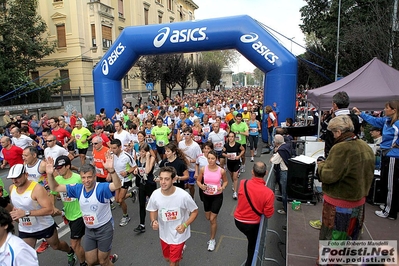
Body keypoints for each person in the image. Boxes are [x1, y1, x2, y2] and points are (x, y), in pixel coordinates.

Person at [47, 154, 120, 266]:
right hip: (90, 230)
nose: (86, 181)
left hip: (104, 229)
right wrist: (50, 174)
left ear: (95, 177)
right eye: (84, 178)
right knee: (90, 261)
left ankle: (106, 259)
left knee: (103, 261)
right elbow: (55, 188)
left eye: (89, 177)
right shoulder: (78, 188)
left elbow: (116, 185)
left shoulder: (101, 188)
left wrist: (112, 171)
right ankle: (107, 258)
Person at [317, 116, 374, 241]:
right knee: (350, 232)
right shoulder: (365, 146)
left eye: (333, 133)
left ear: (338, 132)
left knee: (335, 234)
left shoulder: (341, 148)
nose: (333, 136)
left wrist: (321, 166)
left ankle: (330, 259)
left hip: (339, 201)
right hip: (358, 199)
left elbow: (328, 176)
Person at [7, 164, 77, 266]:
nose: (14, 180)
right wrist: (14, 215)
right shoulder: (11, 188)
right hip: (26, 229)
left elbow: (49, 210)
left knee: (56, 246)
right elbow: (17, 206)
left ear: (26, 175)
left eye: (17, 177)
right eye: (12, 178)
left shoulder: (37, 189)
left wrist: (26, 213)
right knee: (24, 255)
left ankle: (70, 251)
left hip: (44, 226)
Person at [353, 101, 399, 219]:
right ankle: (388, 207)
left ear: (394, 110)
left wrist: (397, 144)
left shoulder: (397, 124)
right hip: (387, 154)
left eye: (387, 108)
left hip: (393, 156)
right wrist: (361, 114)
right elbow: (374, 121)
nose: (385, 109)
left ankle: (390, 212)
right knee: (387, 182)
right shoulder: (387, 121)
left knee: (391, 185)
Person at [146, 166, 199, 266]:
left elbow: (195, 211)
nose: (162, 182)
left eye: (166, 179)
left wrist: (185, 225)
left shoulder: (183, 196)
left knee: (172, 262)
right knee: (167, 258)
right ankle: (178, 255)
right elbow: (153, 210)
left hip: (179, 235)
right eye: (161, 179)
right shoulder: (155, 194)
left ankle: (179, 251)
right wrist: (153, 221)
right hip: (164, 234)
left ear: (174, 180)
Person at [46, 156, 87, 266]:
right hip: (69, 215)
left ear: (68, 166)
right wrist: (53, 206)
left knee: (74, 243)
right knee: (84, 240)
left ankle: (84, 263)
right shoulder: (58, 180)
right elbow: (53, 193)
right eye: (56, 168)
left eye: (60, 167)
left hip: (81, 214)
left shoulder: (79, 178)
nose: (58, 170)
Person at [234, 162, 274, 266]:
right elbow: (268, 214)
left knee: (251, 241)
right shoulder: (269, 193)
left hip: (238, 221)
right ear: (266, 173)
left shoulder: (243, 183)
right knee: (253, 245)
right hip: (252, 224)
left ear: (252, 172)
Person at [197, 150, 228, 251]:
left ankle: (212, 240)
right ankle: (213, 226)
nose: (210, 160)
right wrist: (201, 186)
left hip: (217, 196)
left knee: (212, 219)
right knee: (208, 217)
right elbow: (198, 181)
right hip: (206, 196)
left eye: (212, 159)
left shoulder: (221, 171)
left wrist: (222, 187)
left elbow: (226, 181)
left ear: (216, 159)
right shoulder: (203, 169)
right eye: (209, 158)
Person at [110, 139, 137, 226]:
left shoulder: (126, 156)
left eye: (114, 148)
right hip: (116, 180)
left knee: (120, 200)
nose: (112, 150)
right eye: (111, 148)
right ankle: (131, 194)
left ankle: (126, 216)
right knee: (117, 200)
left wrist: (127, 172)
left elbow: (134, 166)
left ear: (120, 147)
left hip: (125, 180)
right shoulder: (111, 155)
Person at [132, 142, 157, 233]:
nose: (141, 153)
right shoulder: (139, 158)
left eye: (143, 152)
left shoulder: (151, 158)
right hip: (142, 184)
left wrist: (147, 157)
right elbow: (139, 168)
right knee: (142, 204)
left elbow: (147, 170)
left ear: (147, 152)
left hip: (150, 183)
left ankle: (158, 220)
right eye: (140, 151)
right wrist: (136, 170)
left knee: (154, 203)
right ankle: (142, 224)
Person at [270, 134, 291, 215]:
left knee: (284, 192)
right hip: (288, 170)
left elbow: (274, 160)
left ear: (276, 142)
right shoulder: (286, 146)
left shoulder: (281, 150)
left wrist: (272, 157)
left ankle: (285, 209)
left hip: (284, 172)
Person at [178, 127, 202, 199]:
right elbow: (179, 154)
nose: (186, 136)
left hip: (192, 168)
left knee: (190, 186)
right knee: (184, 186)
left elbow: (200, 158)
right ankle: (184, 199)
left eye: (188, 134)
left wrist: (191, 161)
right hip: (184, 168)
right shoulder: (180, 144)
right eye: (184, 134)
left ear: (191, 135)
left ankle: (192, 197)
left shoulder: (195, 146)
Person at [222, 132, 245, 199]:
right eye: (229, 136)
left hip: (236, 163)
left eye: (232, 136)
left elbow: (243, 150)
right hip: (229, 163)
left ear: (234, 137)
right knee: (232, 176)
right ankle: (233, 183)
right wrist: (226, 155)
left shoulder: (238, 145)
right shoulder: (226, 145)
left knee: (235, 177)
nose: (231, 138)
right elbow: (223, 153)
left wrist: (239, 156)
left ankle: (235, 192)